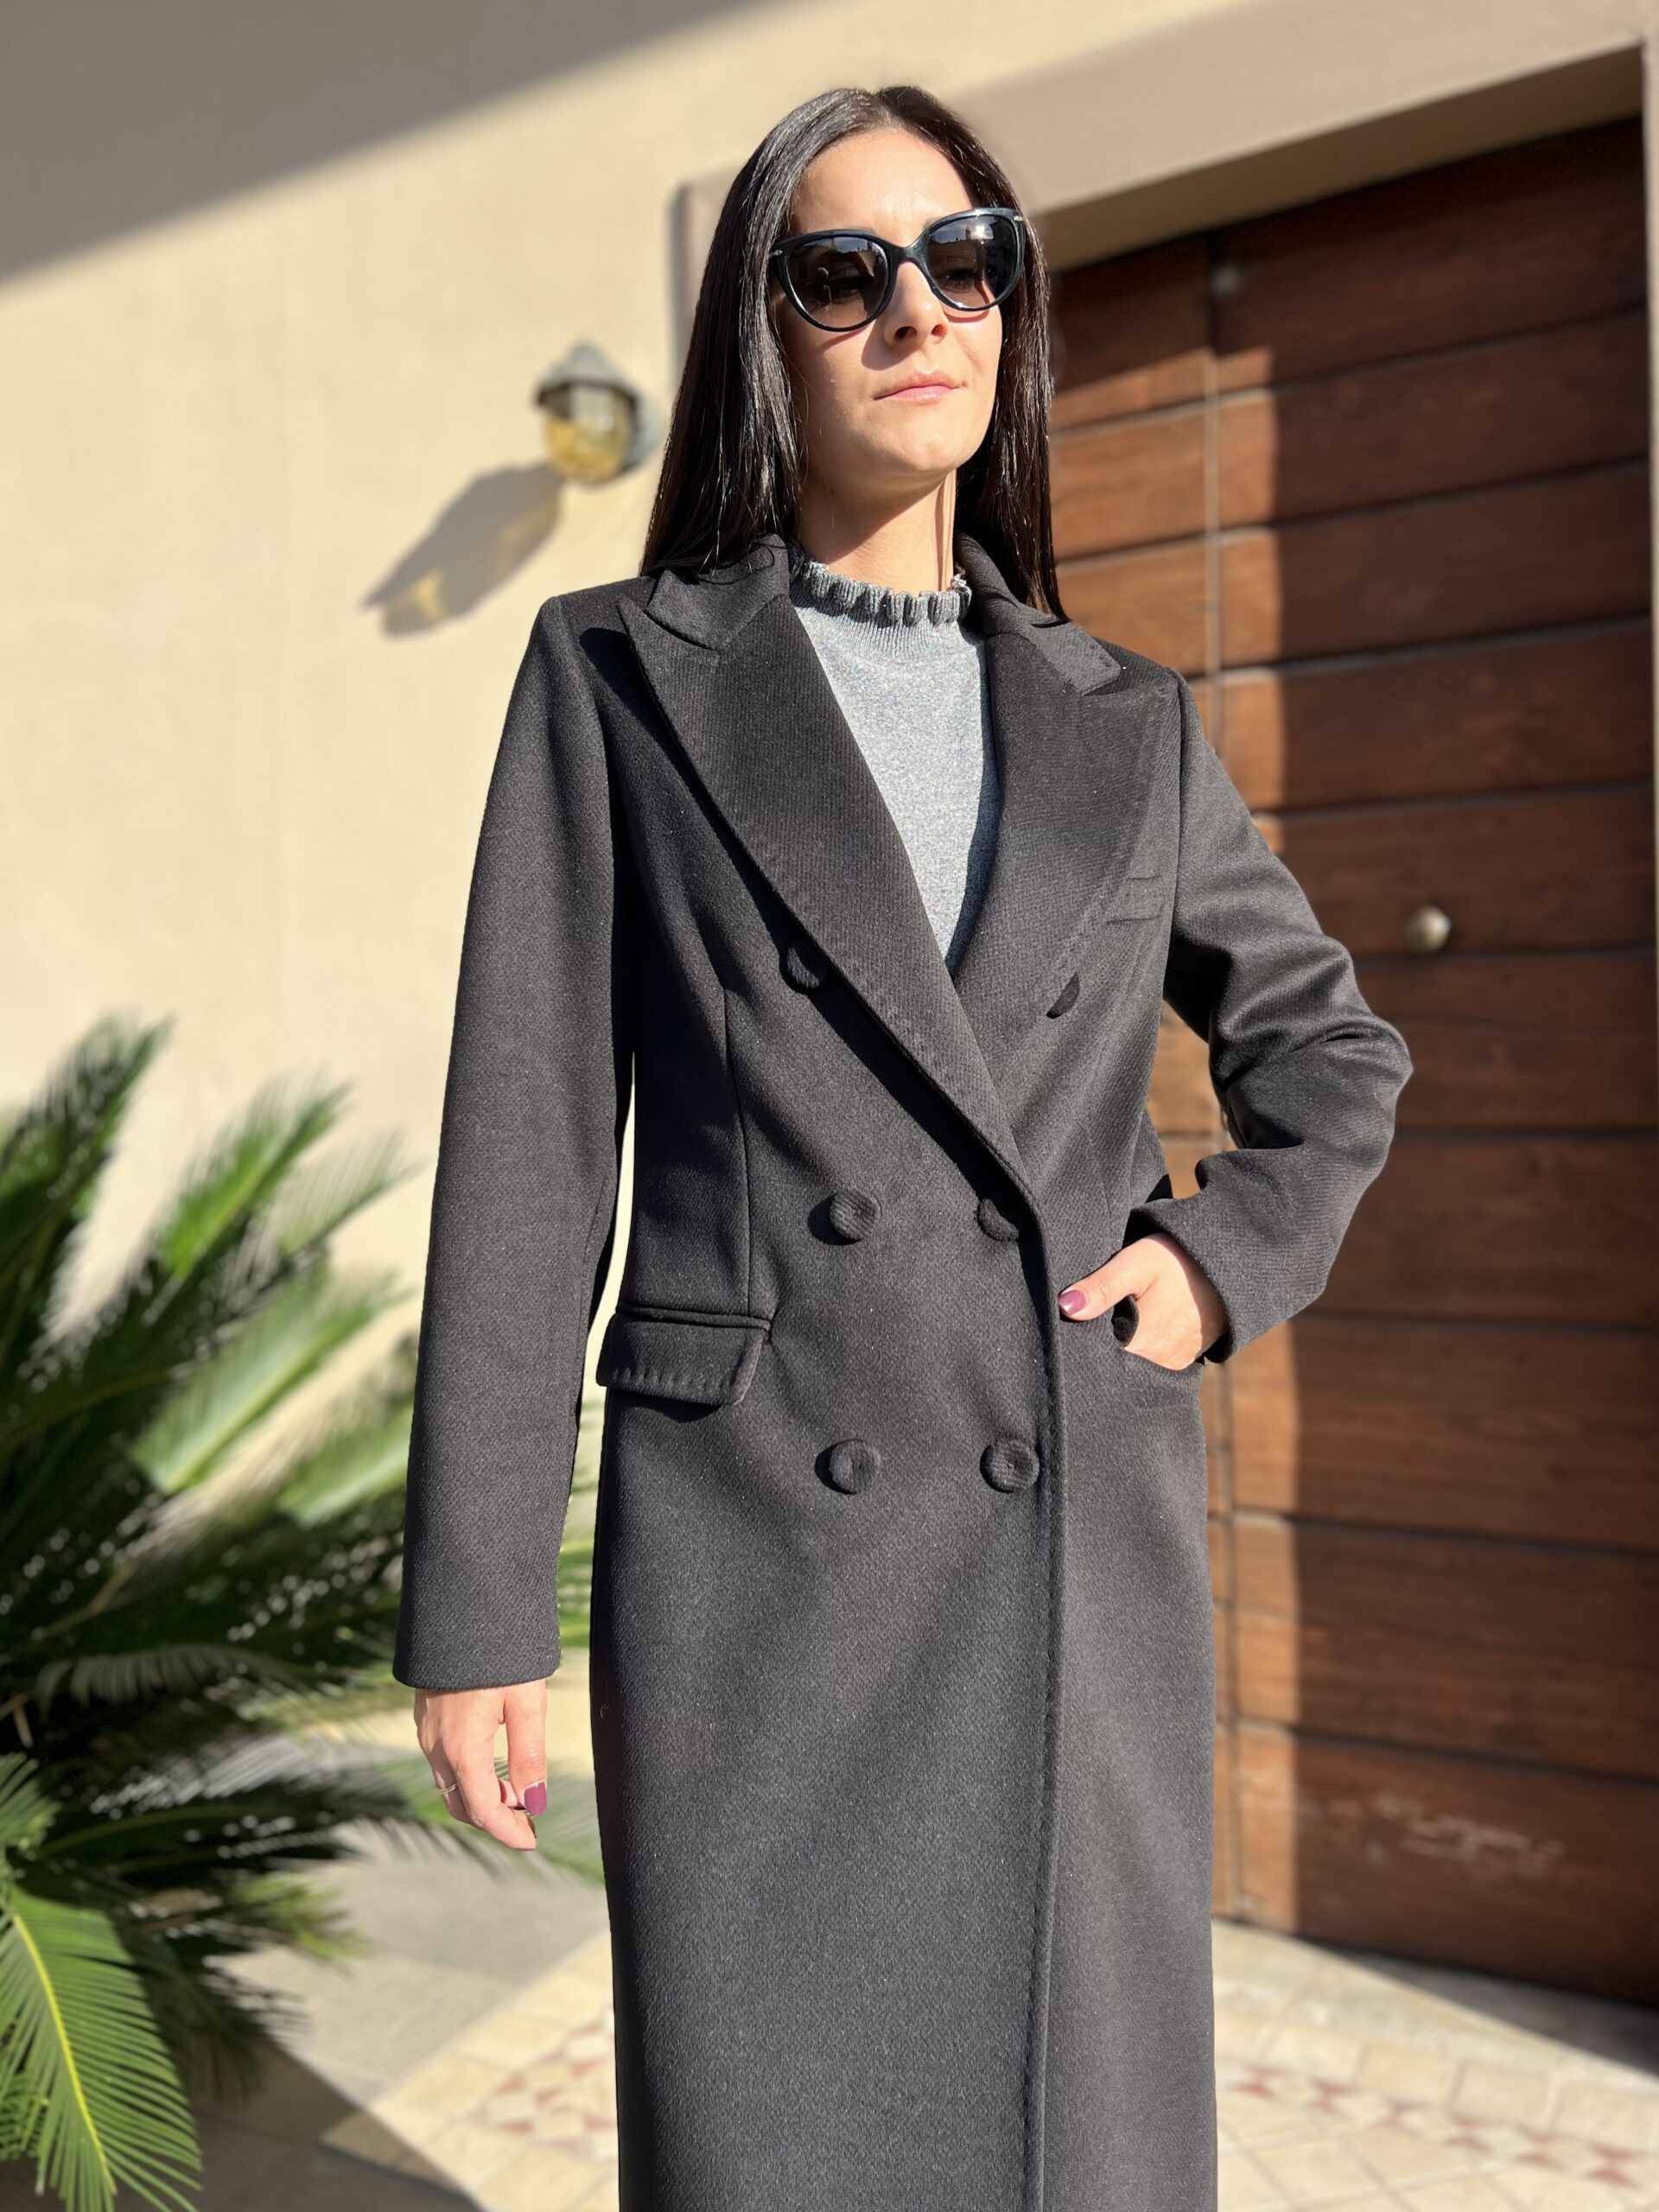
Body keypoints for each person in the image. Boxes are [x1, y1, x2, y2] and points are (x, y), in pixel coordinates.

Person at [392, 81, 1413, 2212]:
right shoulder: (621, 675)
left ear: (1012, 310)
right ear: (761, 334)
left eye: (968, 261)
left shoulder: (1125, 717)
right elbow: (530, 1149)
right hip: (764, 1539)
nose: (917, 311)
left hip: (1063, 1528)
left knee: (1073, 2141)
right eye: (842, 272)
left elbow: (1331, 1048)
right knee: (777, 2137)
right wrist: (479, 1606)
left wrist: (1216, 1260)